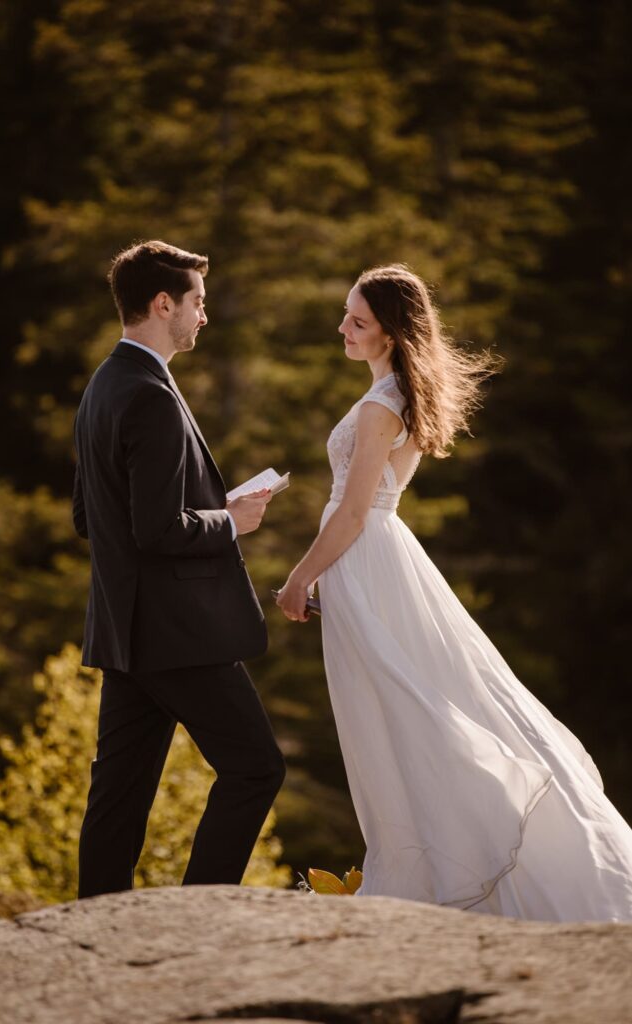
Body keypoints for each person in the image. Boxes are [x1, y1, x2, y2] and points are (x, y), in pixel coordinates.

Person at [276, 263, 632, 922]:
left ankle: (451, 857)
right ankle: (425, 862)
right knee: (390, 711)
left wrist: (300, 575)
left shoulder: (383, 405)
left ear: (389, 331)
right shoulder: (385, 394)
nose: (342, 329)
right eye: (347, 317)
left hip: (367, 557)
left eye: (357, 321)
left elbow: (353, 512)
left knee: (412, 708)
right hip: (364, 563)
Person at [73, 240, 285, 898]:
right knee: (255, 768)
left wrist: (206, 506)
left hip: (127, 632)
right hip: (177, 634)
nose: (203, 315)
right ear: (163, 304)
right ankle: (200, 914)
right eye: (196, 301)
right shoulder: (150, 396)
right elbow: (157, 530)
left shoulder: (103, 386)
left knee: (119, 799)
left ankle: (94, 924)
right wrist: (230, 522)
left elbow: (92, 517)